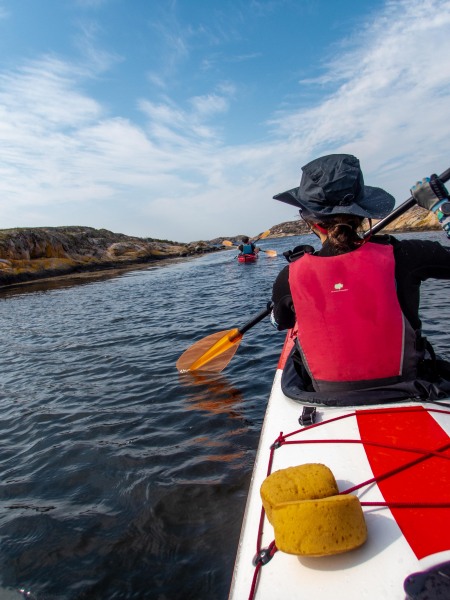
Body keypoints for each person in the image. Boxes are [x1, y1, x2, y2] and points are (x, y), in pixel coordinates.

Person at [271, 153, 450, 405]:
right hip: (412, 386)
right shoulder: (407, 255)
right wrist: (441, 207)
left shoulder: (288, 277)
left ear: (309, 220)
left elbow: (282, 323)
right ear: (363, 214)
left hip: (326, 395)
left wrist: (282, 302)